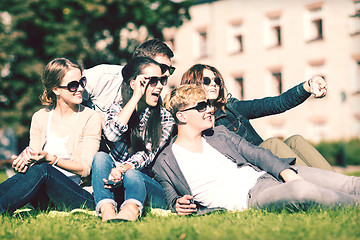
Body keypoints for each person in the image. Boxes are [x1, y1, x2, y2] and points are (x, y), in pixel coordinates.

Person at [153, 84, 359, 215]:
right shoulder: (166, 161)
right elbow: (171, 196)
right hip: (252, 196)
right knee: (301, 190)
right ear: (181, 116)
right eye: (201, 107)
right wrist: (177, 204)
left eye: (208, 105)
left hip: (270, 174)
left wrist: (286, 172)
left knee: (348, 182)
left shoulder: (220, 134)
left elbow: (257, 153)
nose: (209, 110)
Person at [181, 64, 333, 171]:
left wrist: (308, 86)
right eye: (207, 81)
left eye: (217, 81)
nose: (214, 84)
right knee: (271, 144)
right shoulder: (188, 120)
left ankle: (340, 184)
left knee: (295, 140)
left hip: (266, 160)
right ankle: (310, 186)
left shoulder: (231, 108)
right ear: (193, 84)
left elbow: (275, 104)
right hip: (249, 170)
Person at [0, 58, 102, 214]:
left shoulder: (90, 117)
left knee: (44, 169)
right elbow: (34, 158)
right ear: (56, 90)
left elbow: (85, 169)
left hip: (77, 195)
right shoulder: (40, 117)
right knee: (33, 172)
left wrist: (52, 159)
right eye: (73, 85)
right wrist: (23, 162)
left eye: (82, 82)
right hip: (44, 194)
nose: (80, 88)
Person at [91, 57, 175, 222]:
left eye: (162, 80)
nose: (159, 86)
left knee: (131, 174)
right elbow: (111, 134)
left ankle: (131, 211)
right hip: (114, 178)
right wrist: (136, 97)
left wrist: (122, 170)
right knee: (100, 157)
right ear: (133, 83)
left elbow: (147, 155)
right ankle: (107, 210)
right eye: (152, 81)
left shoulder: (165, 118)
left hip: (142, 182)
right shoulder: (118, 108)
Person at [82, 39, 175, 121]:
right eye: (162, 67)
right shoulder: (103, 76)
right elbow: (69, 100)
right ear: (142, 64)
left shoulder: (155, 100)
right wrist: (98, 123)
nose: (167, 73)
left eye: (170, 70)